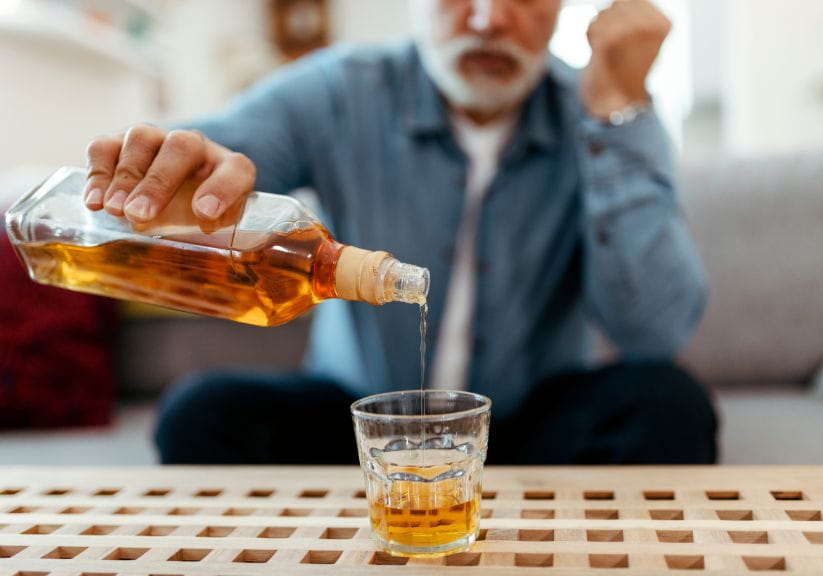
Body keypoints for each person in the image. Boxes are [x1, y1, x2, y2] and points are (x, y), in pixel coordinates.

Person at [83, 0, 717, 465]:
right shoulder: (341, 89)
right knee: (201, 413)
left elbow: (655, 331)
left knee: (669, 402)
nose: (488, 19)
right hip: (358, 424)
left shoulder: (606, 110)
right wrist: (190, 170)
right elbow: (227, 151)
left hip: (529, 429)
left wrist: (615, 113)